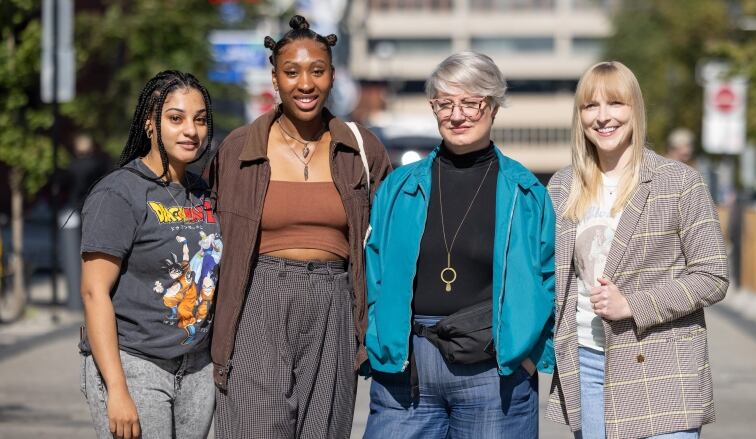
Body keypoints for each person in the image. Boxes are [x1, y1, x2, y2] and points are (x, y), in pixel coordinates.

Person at [210, 15, 391, 438]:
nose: (305, 83)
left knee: (322, 430)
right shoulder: (237, 149)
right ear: (275, 79)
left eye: (317, 71)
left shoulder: (362, 149)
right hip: (258, 297)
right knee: (254, 426)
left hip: (334, 301)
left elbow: (389, 242)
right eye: (291, 72)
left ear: (332, 76)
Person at [362, 51, 556, 439]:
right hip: (407, 365)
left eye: (471, 102)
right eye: (445, 103)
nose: (457, 114)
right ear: (433, 108)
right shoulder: (400, 188)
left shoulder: (525, 191)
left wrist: (530, 357)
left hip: (493, 368)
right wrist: (378, 340)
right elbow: (374, 269)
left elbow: (550, 275)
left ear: (494, 106)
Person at [546, 61, 729, 439]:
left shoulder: (678, 182)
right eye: (590, 106)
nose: (603, 117)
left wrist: (633, 305)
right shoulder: (562, 186)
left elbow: (712, 276)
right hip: (587, 363)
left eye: (615, 103)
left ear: (635, 110)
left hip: (663, 363)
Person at [79, 70, 219, 439]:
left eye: (200, 119)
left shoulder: (202, 192)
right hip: (136, 364)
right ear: (150, 124)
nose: (191, 130)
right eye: (176, 118)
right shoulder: (119, 193)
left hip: (196, 368)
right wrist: (118, 389)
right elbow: (94, 294)